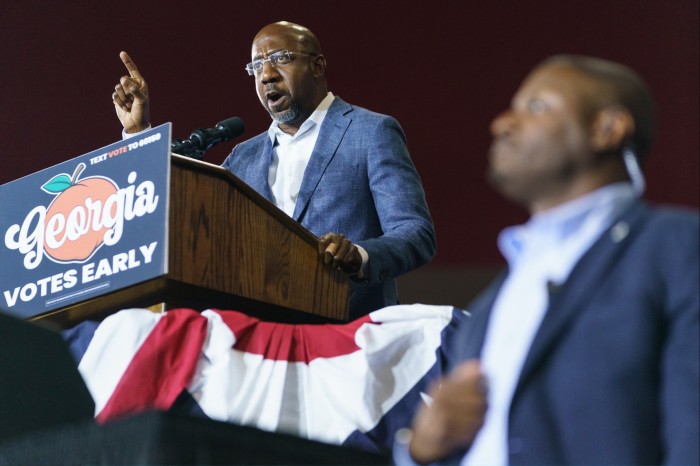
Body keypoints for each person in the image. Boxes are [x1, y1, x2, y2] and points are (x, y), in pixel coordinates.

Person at [395, 55, 699, 465]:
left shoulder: (675, 247)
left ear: (607, 128)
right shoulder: (491, 304)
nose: (501, 123)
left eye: (536, 106)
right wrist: (419, 449)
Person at [112, 21, 436, 319]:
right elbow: (190, 222)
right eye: (256, 66)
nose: (267, 74)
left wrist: (360, 256)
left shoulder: (370, 132)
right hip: (262, 344)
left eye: (281, 58)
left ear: (317, 65)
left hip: (351, 336)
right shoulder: (242, 157)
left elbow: (414, 233)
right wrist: (139, 134)